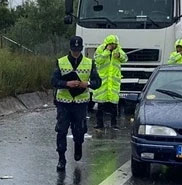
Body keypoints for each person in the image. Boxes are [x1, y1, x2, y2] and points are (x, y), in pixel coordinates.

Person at [51, 36, 101, 171]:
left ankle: (78, 145)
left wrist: (88, 83)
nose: (76, 53)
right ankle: (61, 158)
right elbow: (54, 81)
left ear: (82, 49)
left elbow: (98, 82)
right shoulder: (61, 62)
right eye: (74, 50)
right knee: (61, 130)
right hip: (64, 102)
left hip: (80, 103)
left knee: (79, 130)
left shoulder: (90, 63)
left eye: (78, 50)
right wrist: (66, 83)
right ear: (70, 48)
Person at [92, 34, 127, 130]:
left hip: (113, 82)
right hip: (103, 81)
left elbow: (125, 58)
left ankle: (114, 124)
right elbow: (97, 60)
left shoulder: (118, 50)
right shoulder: (100, 49)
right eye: (111, 44)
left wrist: (119, 55)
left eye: (115, 44)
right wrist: (106, 52)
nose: (113, 46)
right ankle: (99, 124)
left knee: (114, 104)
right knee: (100, 104)